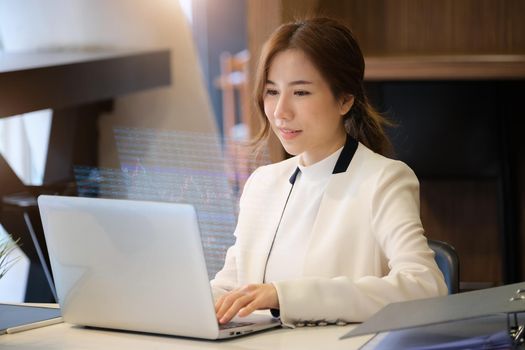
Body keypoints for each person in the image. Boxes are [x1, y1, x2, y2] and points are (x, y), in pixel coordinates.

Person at [211, 17, 447, 327]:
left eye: (301, 93)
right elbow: (232, 285)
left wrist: (284, 296)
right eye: (271, 92)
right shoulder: (262, 183)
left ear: (345, 99)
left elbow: (427, 287)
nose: (281, 112)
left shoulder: (384, 180)